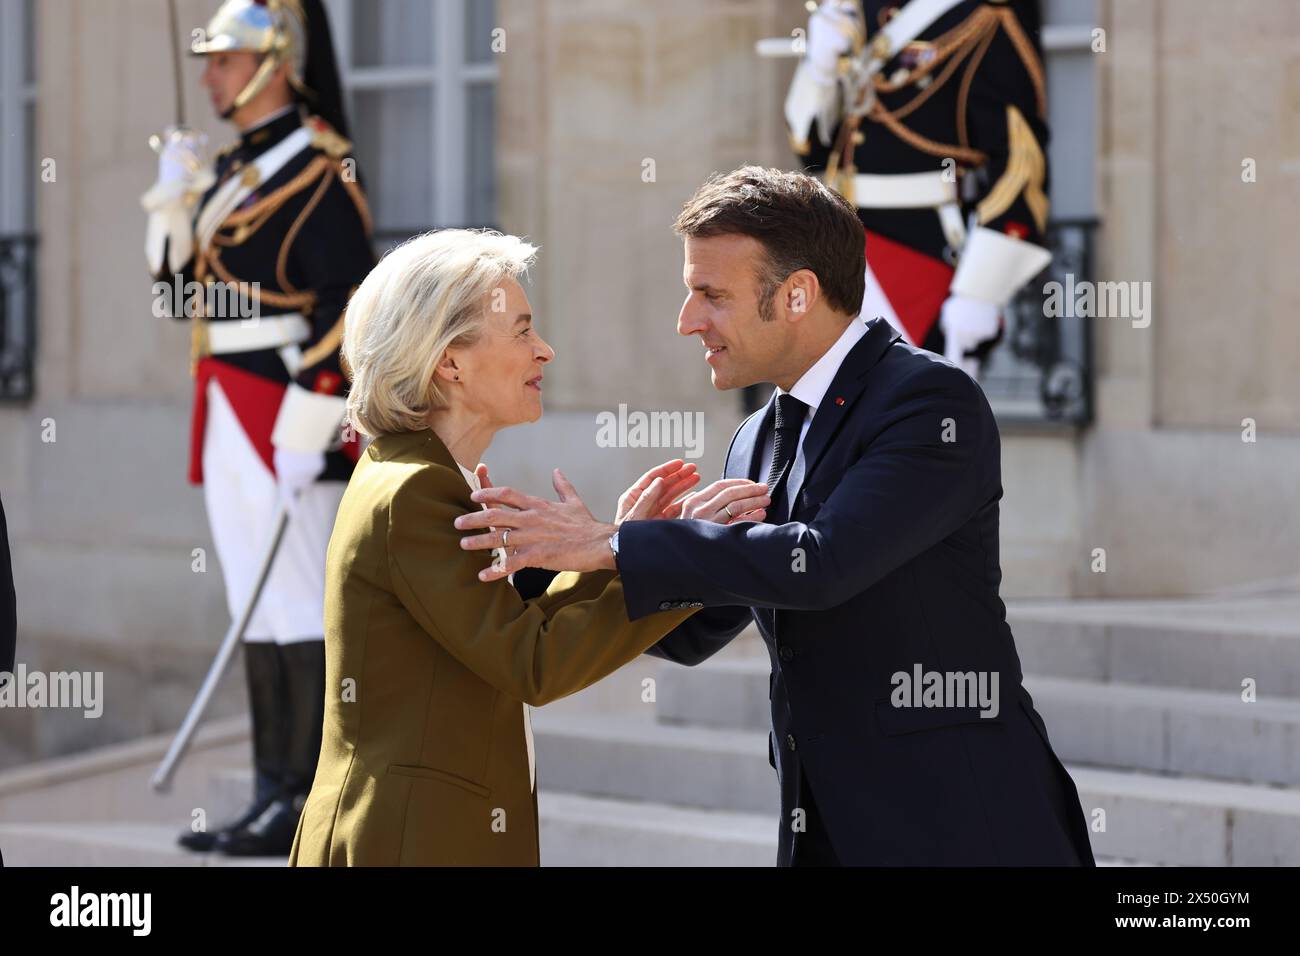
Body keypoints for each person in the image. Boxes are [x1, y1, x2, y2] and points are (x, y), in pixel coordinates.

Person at [455, 166, 1095, 866]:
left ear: (797, 295)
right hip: (821, 828)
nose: (686, 320)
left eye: (711, 295)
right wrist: (542, 562)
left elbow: (822, 563)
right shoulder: (756, 436)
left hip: (967, 828)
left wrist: (618, 544)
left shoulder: (930, 403)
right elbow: (700, 627)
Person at [287, 229, 766, 866]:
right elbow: (532, 664)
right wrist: (673, 557)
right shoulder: (416, 491)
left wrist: (611, 550)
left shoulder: (414, 474)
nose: (544, 350)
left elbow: (507, 635)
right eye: (520, 331)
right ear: (448, 361)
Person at [140, 0, 374, 855]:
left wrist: (311, 420)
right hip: (225, 400)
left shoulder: (318, 167)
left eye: (223, 61)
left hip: (284, 403)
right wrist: (171, 203)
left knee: (300, 601)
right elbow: (175, 299)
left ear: (271, 64)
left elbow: (350, 301)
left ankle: (313, 796)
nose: (209, 76)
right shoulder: (230, 172)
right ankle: (273, 789)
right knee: (254, 601)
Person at [784, 0, 1053, 377]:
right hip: (836, 247)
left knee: (915, 419)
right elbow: (809, 146)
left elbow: (1021, 166)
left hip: (920, 256)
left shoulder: (987, 13)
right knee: (831, 421)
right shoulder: (856, 10)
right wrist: (820, 69)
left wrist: (981, 290)